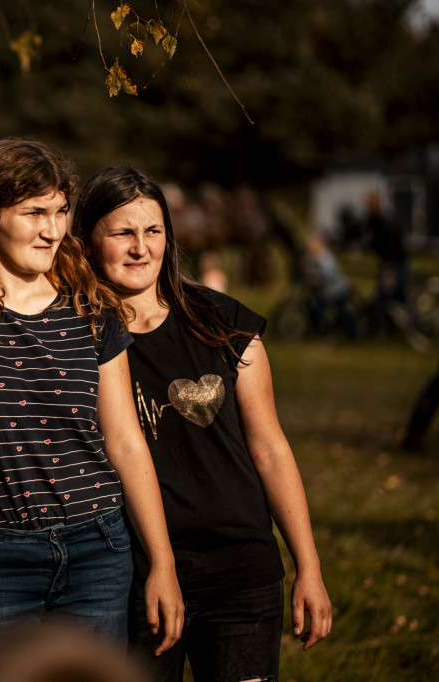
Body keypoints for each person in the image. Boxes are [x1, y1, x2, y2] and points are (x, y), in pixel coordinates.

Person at [0, 141, 182, 678]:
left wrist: (162, 563)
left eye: (61, 211)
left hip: (96, 552)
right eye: (34, 213)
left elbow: (125, 441)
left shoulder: (91, 308)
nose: (53, 230)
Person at [75, 166, 332, 682]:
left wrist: (310, 566)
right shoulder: (76, 339)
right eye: (123, 233)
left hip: (239, 574)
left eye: (153, 232)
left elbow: (270, 448)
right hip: (132, 576)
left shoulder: (223, 322)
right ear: (87, 242)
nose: (140, 248)